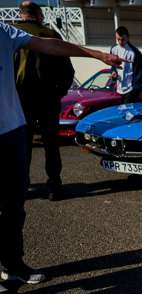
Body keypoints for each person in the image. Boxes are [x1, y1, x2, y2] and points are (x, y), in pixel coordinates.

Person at [0, 22, 123, 294]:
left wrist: (97, 55)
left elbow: (52, 45)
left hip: (13, 130)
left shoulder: (3, 32)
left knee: (15, 205)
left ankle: (13, 264)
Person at [13, 1, 74, 201]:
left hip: (20, 99)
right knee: (51, 144)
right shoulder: (51, 35)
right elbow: (68, 71)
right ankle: (54, 185)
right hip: (48, 97)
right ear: (39, 15)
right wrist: (59, 92)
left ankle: (23, 185)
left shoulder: (10, 34)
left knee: (23, 145)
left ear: (21, 15)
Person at [110, 26, 142, 104]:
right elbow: (113, 66)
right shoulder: (113, 49)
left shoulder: (135, 53)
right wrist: (113, 73)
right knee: (118, 114)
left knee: (129, 115)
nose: (120, 42)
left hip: (130, 91)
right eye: (118, 39)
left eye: (123, 39)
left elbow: (140, 74)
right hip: (117, 91)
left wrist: (135, 90)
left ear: (128, 38)